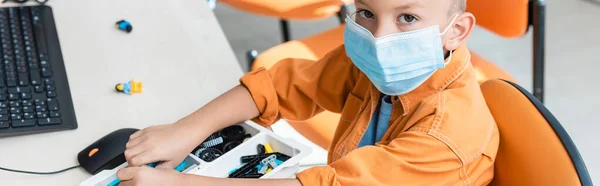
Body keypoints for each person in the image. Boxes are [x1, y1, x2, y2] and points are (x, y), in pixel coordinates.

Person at [117, 0, 500, 185]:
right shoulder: (375, 64)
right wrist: (186, 129)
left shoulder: (447, 139)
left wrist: (181, 183)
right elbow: (283, 86)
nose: (380, 37)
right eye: (366, 12)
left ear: (457, 30)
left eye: (408, 18)